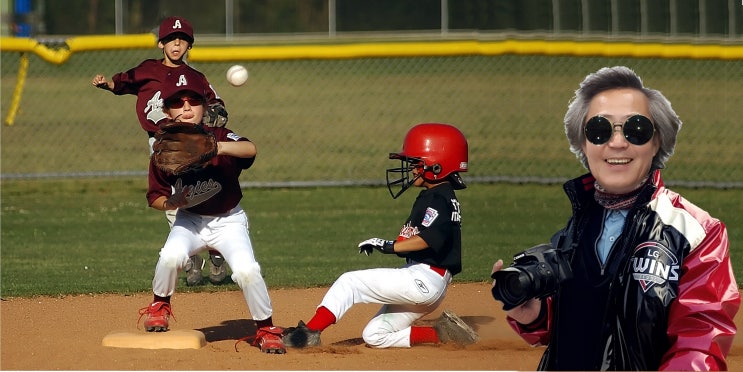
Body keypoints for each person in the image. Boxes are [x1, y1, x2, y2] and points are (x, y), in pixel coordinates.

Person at [490, 66, 740, 370]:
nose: (617, 143)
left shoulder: (697, 232)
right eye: (599, 130)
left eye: (636, 130)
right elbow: (585, 320)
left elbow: (700, 340)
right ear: (583, 144)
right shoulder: (577, 229)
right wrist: (537, 314)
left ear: (657, 140)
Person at [281, 123, 478, 349]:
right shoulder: (436, 196)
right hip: (425, 280)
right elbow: (419, 238)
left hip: (423, 280)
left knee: (350, 282)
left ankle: (308, 334)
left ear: (437, 165)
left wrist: (389, 245)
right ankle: (443, 335)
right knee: (375, 335)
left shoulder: (439, 199)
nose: (412, 169)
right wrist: (397, 244)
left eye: (417, 163)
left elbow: (427, 239)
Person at [136, 68, 286, 354]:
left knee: (247, 271)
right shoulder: (165, 147)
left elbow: (250, 149)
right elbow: (154, 196)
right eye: (178, 103)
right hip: (190, 221)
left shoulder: (219, 135)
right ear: (167, 110)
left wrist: (218, 147)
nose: (186, 108)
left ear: (204, 105)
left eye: (193, 101)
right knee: (170, 256)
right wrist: (171, 204)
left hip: (229, 221)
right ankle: (160, 305)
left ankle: (266, 328)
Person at [91, 16, 228, 286]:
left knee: (204, 193)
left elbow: (215, 101)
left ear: (190, 46)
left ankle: (215, 251)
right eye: (170, 39)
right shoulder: (147, 70)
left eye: (183, 40)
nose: (176, 43)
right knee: (173, 200)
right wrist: (106, 84)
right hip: (160, 142)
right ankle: (191, 260)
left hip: (193, 142)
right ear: (160, 44)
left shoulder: (195, 77)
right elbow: (123, 83)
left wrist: (218, 111)